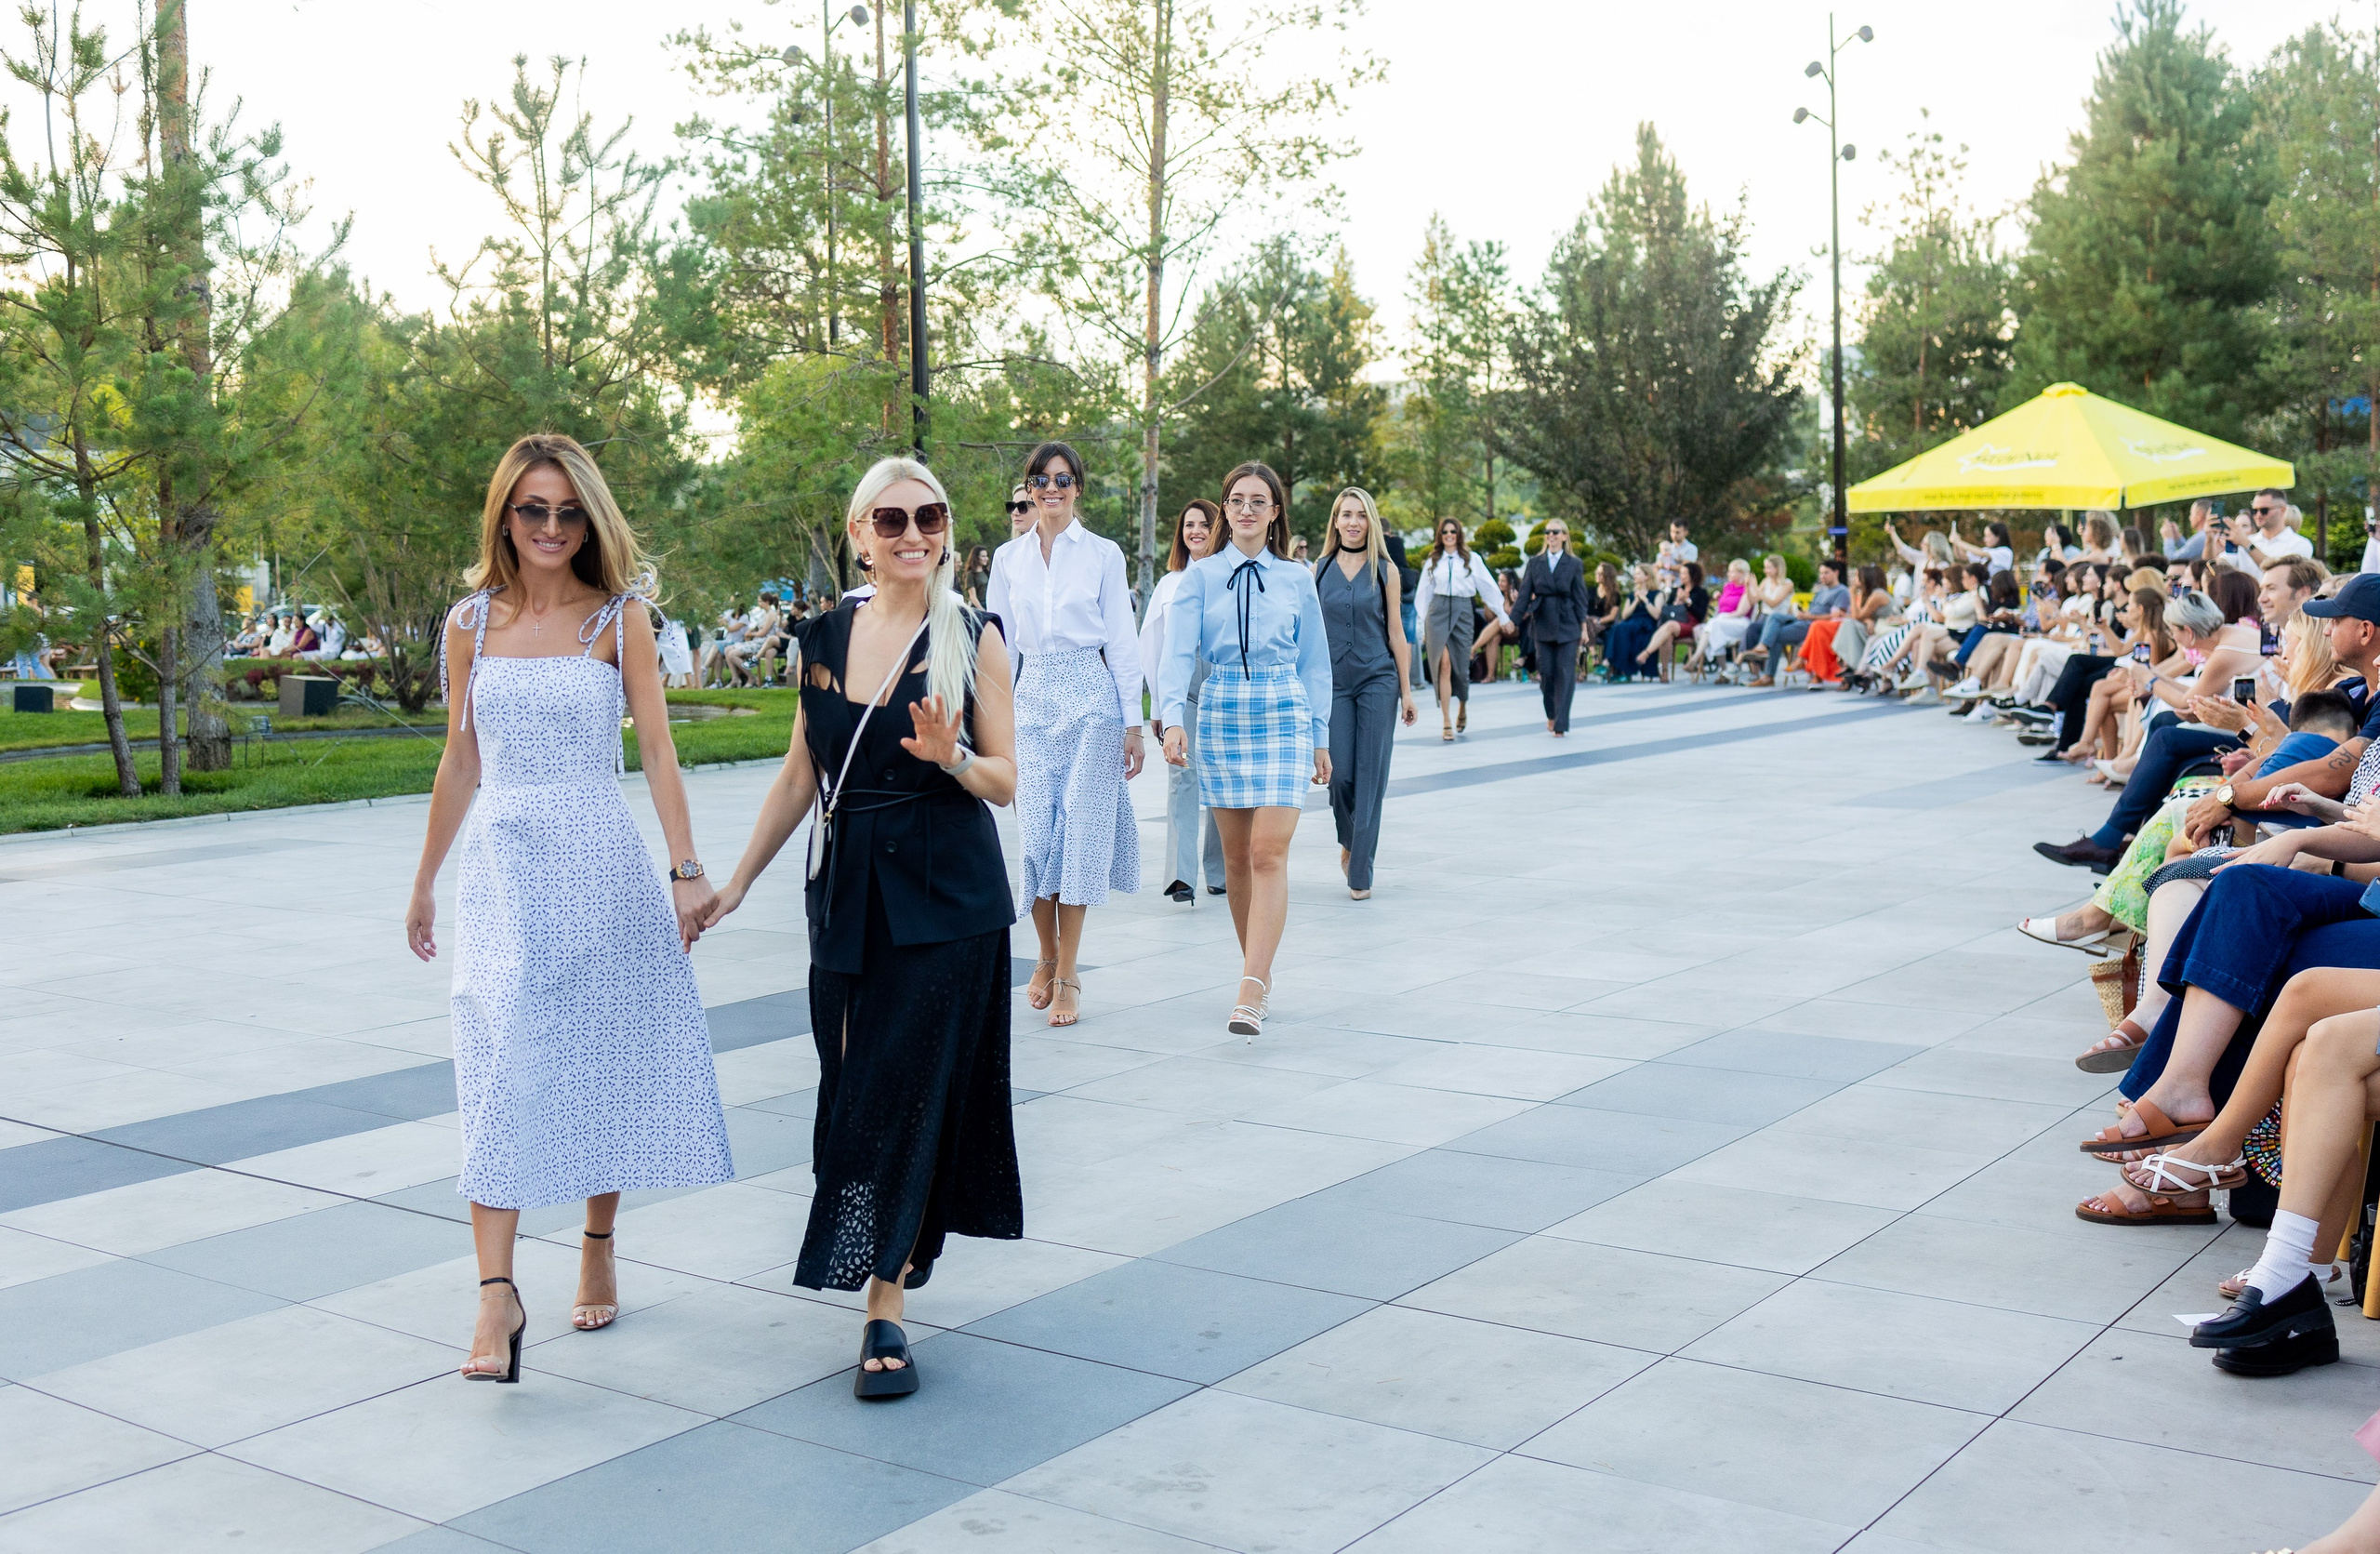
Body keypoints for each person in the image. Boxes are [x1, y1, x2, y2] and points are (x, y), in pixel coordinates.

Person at [405, 432, 734, 1386]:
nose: (550, 527)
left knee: (595, 1057)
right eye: (532, 510)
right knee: (496, 1061)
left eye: (567, 511)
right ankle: (494, 1295)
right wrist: (425, 878)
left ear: (589, 518)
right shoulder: (469, 622)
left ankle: (596, 1240)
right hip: (502, 874)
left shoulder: (620, 620)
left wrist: (685, 868)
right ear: (504, 515)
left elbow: (660, 754)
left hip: (597, 860)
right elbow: (461, 759)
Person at [702, 457, 1022, 1398]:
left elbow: (1006, 778)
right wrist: (736, 884)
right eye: (892, 520)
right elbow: (802, 776)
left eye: (929, 516)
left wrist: (952, 755)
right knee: (850, 1090)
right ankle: (904, 1234)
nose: (913, 534)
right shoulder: (822, 639)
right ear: (859, 533)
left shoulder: (971, 634)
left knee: (903, 1088)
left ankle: (885, 1305)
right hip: (846, 892)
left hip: (946, 893)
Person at [1158, 460, 1330, 1038]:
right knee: (1234, 860)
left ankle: (1250, 989)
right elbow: (1178, 654)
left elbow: (1315, 663)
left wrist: (1321, 734)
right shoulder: (1200, 578)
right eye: (1237, 500)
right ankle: (1257, 970)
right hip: (1223, 708)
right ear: (1224, 508)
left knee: (1266, 853)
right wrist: (1172, 720)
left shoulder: (1297, 578)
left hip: (1284, 707)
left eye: (1260, 501)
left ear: (1275, 512)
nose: (1247, 509)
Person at [985, 441, 1143, 1029]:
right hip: (1032, 702)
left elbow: (1122, 642)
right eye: (1040, 480)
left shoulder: (1103, 555)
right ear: (1029, 489)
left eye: (1062, 478)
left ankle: (1070, 973)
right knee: (1037, 842)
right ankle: (1046, 956)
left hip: (1091, 701)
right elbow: (995, 647)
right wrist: (992, 719)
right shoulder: (1008, 559)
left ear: (1077, 486)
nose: (1051, 488)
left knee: (1078, 835)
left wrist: (1133, 723)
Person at [1314, 487, 1416, 897]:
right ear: (1335, 522)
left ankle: (1361, 872)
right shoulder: (1318, 570)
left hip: (1378, 679)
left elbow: (1397, 632)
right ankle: (1352, 840)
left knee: (1371, 777)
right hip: (1335, 685)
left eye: (1361, 515)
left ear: (1370, 522)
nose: (1353, 522)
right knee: (1339, 777)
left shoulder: (1385, 570)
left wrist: (1407, 692)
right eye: (1346, 515)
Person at [1142, 498, 1227, 903]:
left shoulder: (1230, 574)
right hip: (1183, 680)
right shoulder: (1169, 583)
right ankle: (1180, 875)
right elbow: (1153, 647)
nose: (1195, 531)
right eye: (1188, 524)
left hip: (1225, 676)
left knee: (1221, 773)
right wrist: (1160, 707)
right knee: (1182, 771)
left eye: (1204, 524)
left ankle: (1220, 869)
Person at [1413, 516, 1509, 740]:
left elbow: (1487, 586)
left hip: (1463, 610)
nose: (1449, 535)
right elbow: (1423, 593)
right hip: (1437, 612)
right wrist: (1421, 625)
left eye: (1453, 532)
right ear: (1440, 535)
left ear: (1459, 534)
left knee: (1461, 667)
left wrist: (1502, 614)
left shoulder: (1471, 559)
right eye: (1445, 532)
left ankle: (1462, 706)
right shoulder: (1433, 560)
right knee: (1443, 665)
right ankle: (1446, 720)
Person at [1516, 519, 1590, 733]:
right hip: (1542, 621)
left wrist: (1584, 627)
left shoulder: (1574, 564)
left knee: (1566, 672)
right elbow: (1523, 595)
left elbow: (1581, 598)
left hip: (1568, 622)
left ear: (1565, 536)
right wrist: (1512, 619)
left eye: (1556, 532)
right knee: (1546, 672)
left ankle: (1561, 722)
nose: (1551, 535)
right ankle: (1551, 712)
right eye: (1547, 532)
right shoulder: (1535, 562)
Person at [962, 544, 993, 608]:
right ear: (976, 557)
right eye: (983, 556)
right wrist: (982, 611)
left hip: (988, 603)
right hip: (978, 607)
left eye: (986, 556)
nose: (986, 559)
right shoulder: (970, 574)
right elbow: (973, 597)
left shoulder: (986, 572)